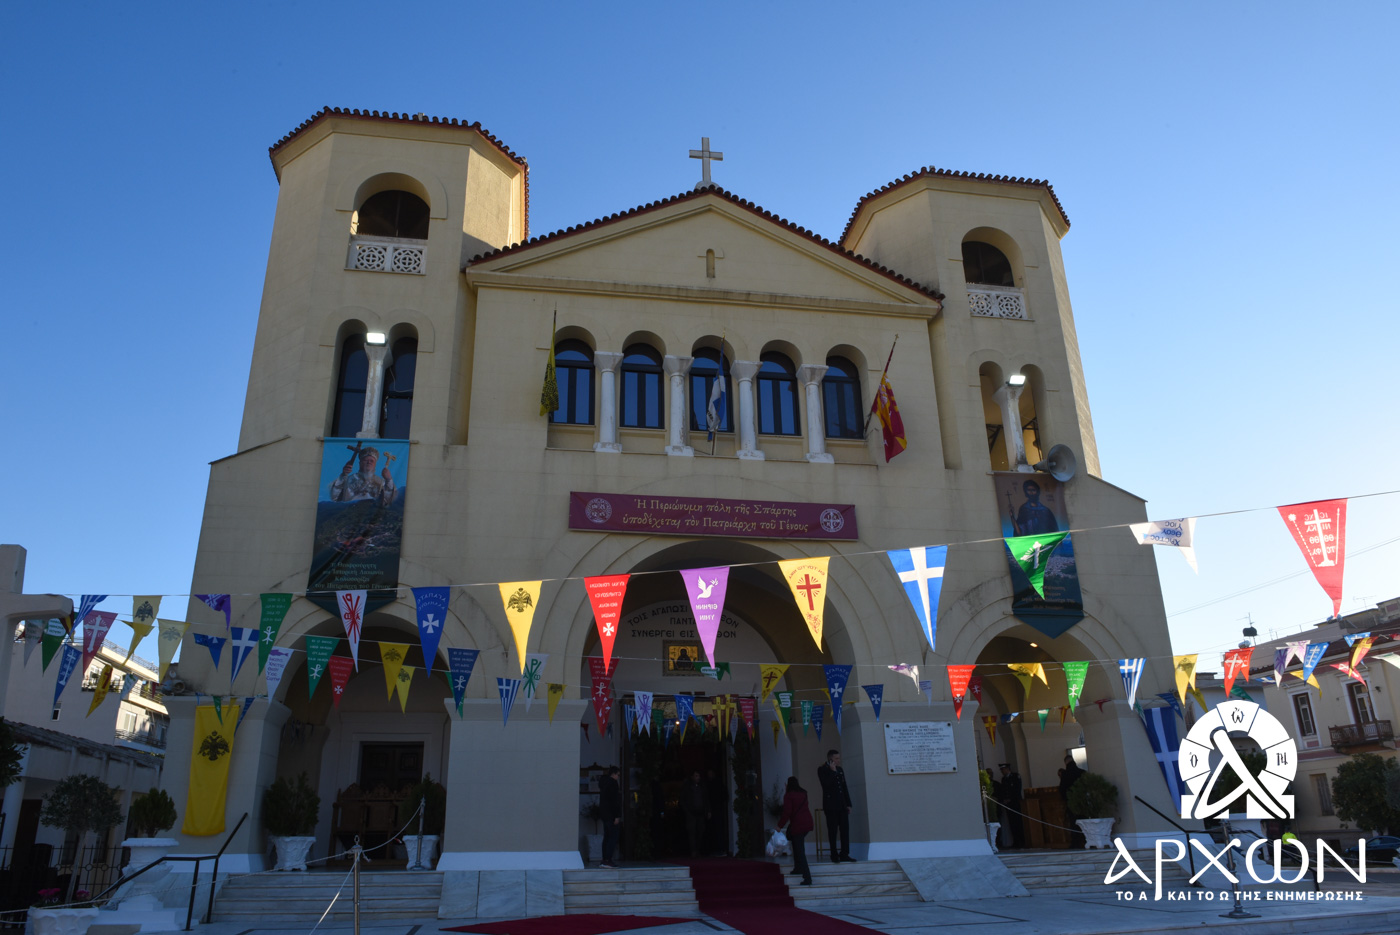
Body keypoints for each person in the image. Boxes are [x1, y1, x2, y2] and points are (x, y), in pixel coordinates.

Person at [816, 749, 856, 863]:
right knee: (832, 831)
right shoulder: (822, 769)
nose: (839, 760)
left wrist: (848, 804)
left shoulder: (840, 769)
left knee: (845, 830)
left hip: (842, 805)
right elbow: (825, 784)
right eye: (836, 758)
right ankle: (834, 854)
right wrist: (833, 772)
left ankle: (844, 853)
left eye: (839, 758)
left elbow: (844, 787)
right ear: (831, 759)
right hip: (831, 806)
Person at [330, 444, 397, 506]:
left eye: (372, 461)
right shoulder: (348, 479)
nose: (369, 462)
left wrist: (389, 480)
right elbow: (335, 497)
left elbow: (387, 501)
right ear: (360, 463)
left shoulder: (381, 482)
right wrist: (343, 475)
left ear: (375, 464)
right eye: (365, 460)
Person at [777, 776, 814, 885]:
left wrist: (779, 826)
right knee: (797, 846)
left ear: (788, 785)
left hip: (798, 825)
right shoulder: (803, 793)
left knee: (800, 850)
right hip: (807, 822)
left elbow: (787, 812)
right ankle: (798, 868)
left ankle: (807, 877)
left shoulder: (789, 795)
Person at [1059, 754, 1086, 849]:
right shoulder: (1082, 772)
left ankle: (1076, 843)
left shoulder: (1065, 774)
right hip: (1082, 801)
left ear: (1066, 763)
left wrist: (1065, 799)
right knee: (1084, 821)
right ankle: (1086, 840)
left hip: (1071, 802)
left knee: (1074, 823)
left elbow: (1062, 789)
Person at [598, 765, 622, 868]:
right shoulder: (613, 784)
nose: (618, 777)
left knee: (607, 837)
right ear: (614, 774)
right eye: (618, 775)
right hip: (611, 815)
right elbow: (614, 801)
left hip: (605, 815)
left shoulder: (603, 784)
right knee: (613, 837)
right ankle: (608, 859)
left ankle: (604, 859)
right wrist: (617, 816)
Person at [681, 770, 709, 857]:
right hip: (691, 813)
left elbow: (706, 799)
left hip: (700, 812)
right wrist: (687, 811)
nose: (698, 778)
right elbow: (682, 800)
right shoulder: (687, 787)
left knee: (700, 831)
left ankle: (698, 850)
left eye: (699, 776)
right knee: (692, 832)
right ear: (692, 777)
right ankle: (693, 851)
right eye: (696, 776)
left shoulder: (702, 787)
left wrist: (708, 810)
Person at [997, 763, 1024, 848]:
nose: (1002, 771)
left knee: (1018, 822)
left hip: (1015, 803)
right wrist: (1004, 799)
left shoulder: (1015, 776)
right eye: (1001, 770)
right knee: (1012, 823)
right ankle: (1016, 841)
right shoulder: (1004, 779)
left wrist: (1011, 799)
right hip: (1008, 804)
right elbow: (1004, 790)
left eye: (1003, 769)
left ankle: (1022, 842)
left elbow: (1017, 790)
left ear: (1007, 769)